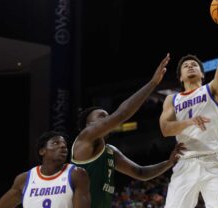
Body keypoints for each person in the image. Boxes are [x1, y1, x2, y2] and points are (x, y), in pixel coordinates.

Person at [71, 53, 186, 208]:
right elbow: (122, 114)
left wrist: (169, 162)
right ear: (88, 125)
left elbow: (141, 173)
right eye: (101, 117)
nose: (108, 119)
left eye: (107, 116)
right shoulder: (84, 139)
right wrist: (152, 83)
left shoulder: (110, 151)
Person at [159, 11, 218, 208]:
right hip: (184, 164)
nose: (190, 67)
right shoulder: (171, 99)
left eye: (194, 66)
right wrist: (189, 122)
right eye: (186, 66)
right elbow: (165, 129)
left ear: (202, 74)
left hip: (211, 162)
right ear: (180, 77)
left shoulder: (212, 90)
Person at [0, 130, 91, 208]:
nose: (63, 146)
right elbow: (0, 206)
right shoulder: (25, 179)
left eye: (64, 144)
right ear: (42, 151)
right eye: (56, 143)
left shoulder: (76, 174)